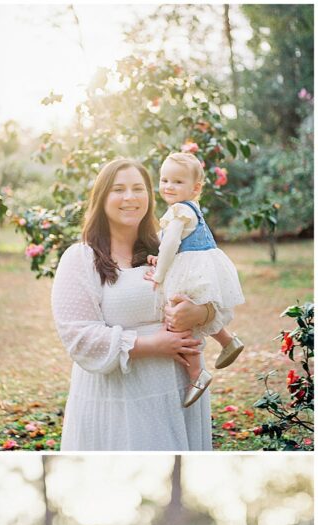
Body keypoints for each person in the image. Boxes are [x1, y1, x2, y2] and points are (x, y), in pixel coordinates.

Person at [51, 158, 230, 451]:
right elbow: (78, 336)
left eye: (138, 188)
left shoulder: (170, 248)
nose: (130, 197)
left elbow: (218, 297)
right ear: (101, 197)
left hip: (176, 391)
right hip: (117, 399)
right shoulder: (80, 258)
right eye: (118, 189)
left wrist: (201, 312)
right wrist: (152, 345)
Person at [150, 151, 246, 406]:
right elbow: (167, 241)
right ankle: (228, 340)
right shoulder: (191, 209)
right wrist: (155, 255)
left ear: (195, 188)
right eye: (164, 180)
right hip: (201, 266)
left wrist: (159, 273)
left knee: (179, 319)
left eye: (177, 181)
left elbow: (170, 243)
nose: (168, 186)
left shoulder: (179, 210)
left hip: (189, 269)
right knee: (191, 313)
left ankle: (196, 374)